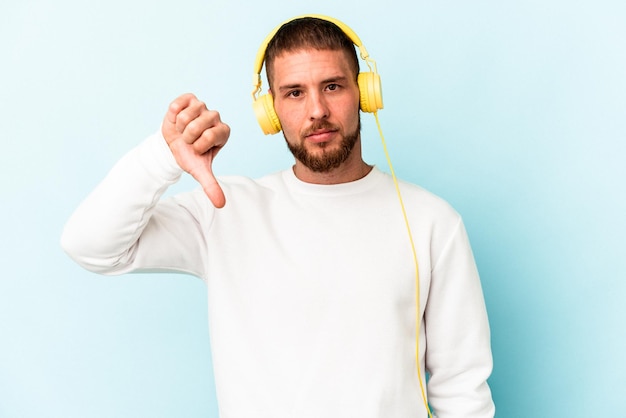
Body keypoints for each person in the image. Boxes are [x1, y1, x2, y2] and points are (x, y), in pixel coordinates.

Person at [61, 15, 495, 418]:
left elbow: (462, 388)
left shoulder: (432, 222)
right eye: (294, 92)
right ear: (270, 111)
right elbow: (90, 246)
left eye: (332, 86)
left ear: (364, 92)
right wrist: (163, 157)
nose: (316, 111)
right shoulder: (225, 210)